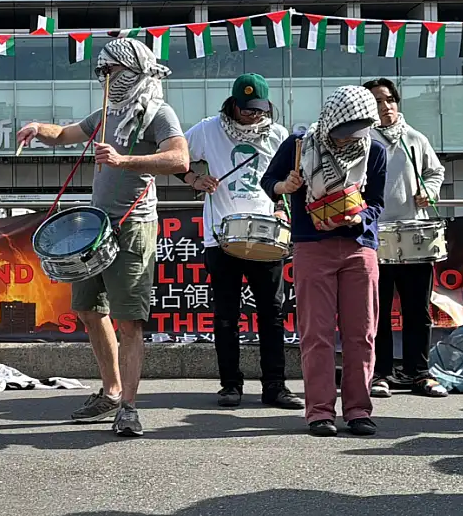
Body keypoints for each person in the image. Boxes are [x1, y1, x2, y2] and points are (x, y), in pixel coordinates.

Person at [16, 37, 189, 438]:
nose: (104, 78)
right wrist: (39, 129)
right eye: (102, 72)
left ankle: (128, 405)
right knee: (90, 310)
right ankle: (110, 391)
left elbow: (180, 157)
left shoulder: (157, 114)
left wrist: (124, 159)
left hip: (133, 225)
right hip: (95, 227)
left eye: (110, 71)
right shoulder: (106, 113)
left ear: (131, 70)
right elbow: (66, 134)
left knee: (129, 320)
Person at [260, 85, 386, 437]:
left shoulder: (374, 150)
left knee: (362, 332)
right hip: (312, 245)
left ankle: (359, 410)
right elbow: (267, 180)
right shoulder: (299, 144)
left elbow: (376, 201)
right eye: (343, 131)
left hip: (359, 247)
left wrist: (360, 218)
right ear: (331, 119)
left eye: (358, 132)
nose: (348, 140)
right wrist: (286, 186)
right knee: (316, 333)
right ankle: (319, 411)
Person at [177, 73, 302, 410]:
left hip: (266, 233)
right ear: (233, 104)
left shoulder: (278, 135)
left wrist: (281, 207)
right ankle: (230, 384)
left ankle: (275, 386)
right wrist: (193, 178)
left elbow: (291, 180)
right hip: (221, 234)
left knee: (272, 313)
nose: (252, 115)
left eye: (258, 110)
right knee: (226, 314)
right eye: (246, 109)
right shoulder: (208, 129)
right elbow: (175, 154)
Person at [363, 78, 448, 399]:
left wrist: (429, 190)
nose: (384, 107)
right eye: (376, 102)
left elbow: (435, 172)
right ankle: (380, 373)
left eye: (389, 100)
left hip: (415, 234)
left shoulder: (415, 138)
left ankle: (419, 373)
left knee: (418, 310)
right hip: (375, 233)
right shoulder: (361, 140)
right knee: (378, 310)